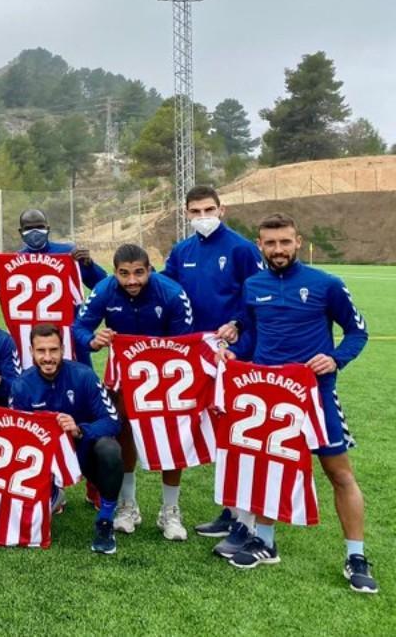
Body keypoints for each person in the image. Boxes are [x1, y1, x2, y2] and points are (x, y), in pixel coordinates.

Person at [218, 213, 375, 593]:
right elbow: (254, 335)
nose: (278, 250)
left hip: (315, 395)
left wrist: (336, 358)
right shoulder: (253, 285)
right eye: (270, 243)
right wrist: (235, 354)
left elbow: (358, 331)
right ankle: (265, 543)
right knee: (271, 468)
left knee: (339, 473)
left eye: (284, 242)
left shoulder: (326, 284)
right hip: (270, 396)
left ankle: (356, 555)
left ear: (297, 241)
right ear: (260, 245)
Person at [161, 186, 265, 539]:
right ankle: (230, 510)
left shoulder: (241, 248)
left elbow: (258, 297)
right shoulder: (181, 250)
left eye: (209, 209)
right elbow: (165, 292)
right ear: (186, 214)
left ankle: (241, 514)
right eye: (195, 211)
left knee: (233, 433)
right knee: (205, 432)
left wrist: (237, 325)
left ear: (222, 210)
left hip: (231, 355)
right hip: (192, 356)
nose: (202, 217)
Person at [72, 243, 194, 540]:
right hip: (126, 374)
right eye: (124, 274)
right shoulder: (104, 290)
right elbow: (79, 326)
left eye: (139, 273)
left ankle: (170, 509)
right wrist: (92, 339)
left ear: (150, 270)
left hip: (165, 374)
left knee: (171, 439)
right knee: (123, 433)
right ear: (115, 273)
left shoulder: (172, 293)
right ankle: (128, 505)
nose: (132, 280)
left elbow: (186, 342)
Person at [10, 323, 123, 554]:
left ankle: (105, 521)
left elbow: (113, 421)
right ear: (31, 351)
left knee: (110, 449)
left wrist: (80, 430)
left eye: (53, 350)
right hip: (44, 460)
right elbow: (15, 436)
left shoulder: (84, 375)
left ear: (63, 349)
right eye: (41, 351)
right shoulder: (22, 385)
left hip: (82, 452)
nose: (48, 357)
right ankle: (51, 492)